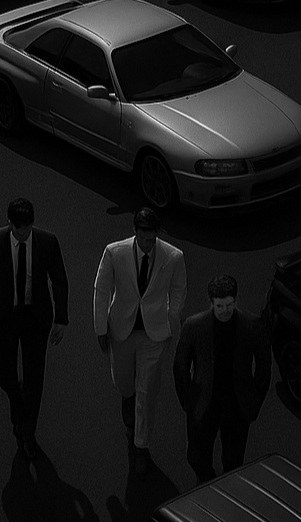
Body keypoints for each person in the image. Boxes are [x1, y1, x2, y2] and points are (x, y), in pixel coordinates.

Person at [0, 198, 68, 461]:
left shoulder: (47, 242)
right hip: (5, 317)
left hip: (36, 318)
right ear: (9, 223)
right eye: (17, 228)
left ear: (33, 224)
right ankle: (17, 401)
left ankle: (27, 431)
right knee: (6, 374)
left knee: (35, 377)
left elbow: (59, 279)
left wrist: (61, 319)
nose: (22, 233)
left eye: (26, 228)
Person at [93, 207, 187, 476]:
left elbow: (178, 289)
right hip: (122, 330)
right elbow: (101, 289)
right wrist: (101, 328)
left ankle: (141, 447)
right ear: (135, 233)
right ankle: (129, 415)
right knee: (125, 385)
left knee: (146, 392)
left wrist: (171, 316)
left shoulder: (173, 256)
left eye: (151, 240)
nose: (147, 245)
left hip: (154, 334)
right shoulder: (115, 252)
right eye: (143, 239)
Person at [173, 274, 271, 483]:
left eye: (229, 305)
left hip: (237, 405)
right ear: (211, 302)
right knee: (197, 457)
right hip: (204, 404)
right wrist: (188, 402)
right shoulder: (193, 326)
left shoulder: (252, 325)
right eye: (220, 306)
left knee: (234, 462)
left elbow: (264, 366)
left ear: (236, 301)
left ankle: (225, 493)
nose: (225, 311)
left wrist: (254, 400)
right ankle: (209, 485)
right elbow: (180, 366)